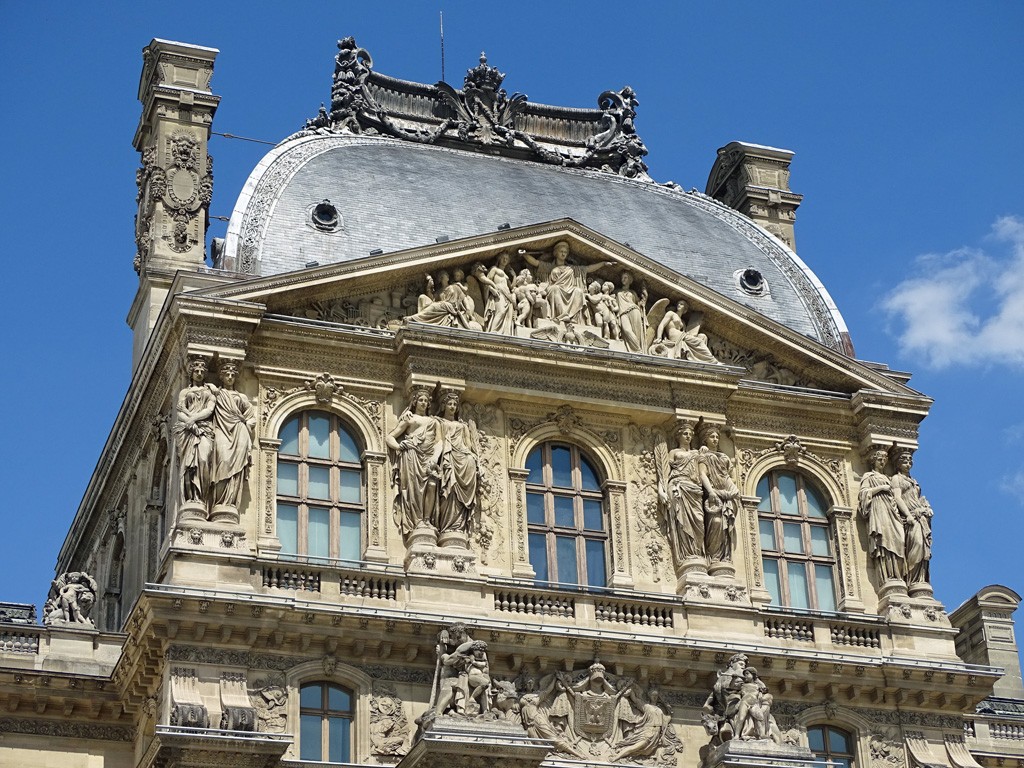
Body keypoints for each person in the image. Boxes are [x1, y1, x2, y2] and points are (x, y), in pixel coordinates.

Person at [387, 387, 443, 538]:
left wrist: (435, 458)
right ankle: (417, 521)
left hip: (429, 458)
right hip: (411, 456)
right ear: (415, 402)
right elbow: (390, 437)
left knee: (431, 485)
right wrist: (399, 446)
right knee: (414, 490)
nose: (423, 403)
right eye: (421, 400)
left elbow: (439, 442)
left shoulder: (434, 422)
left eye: (426, 401)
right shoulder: (409, 419)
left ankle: (426, 520)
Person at [209, 360, 256, 521]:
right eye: (226, 374)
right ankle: (219, 502)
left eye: (232, 374)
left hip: (239, 433)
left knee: (236, 469)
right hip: (221, 431)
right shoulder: (215, 393)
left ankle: (229, 502)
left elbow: (251, 418)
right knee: (222, 461)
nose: (229, 377)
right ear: (221, 376)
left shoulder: (241, 397)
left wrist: (244, 427)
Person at [522, 241, 610, 324]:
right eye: (561, 251)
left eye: (565, 252)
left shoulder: (572, 268)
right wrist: (525, 255)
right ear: (556, 253)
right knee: (555, 288)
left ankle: (573, 318)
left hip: (570, 289)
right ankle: (562, 315)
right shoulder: (549, 267)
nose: (563, 254)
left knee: (578, 291)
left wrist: (602, 264)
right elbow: (535, 263)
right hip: (555, 288)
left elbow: (588, 269)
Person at [173, 357, 217, 515]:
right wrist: (190, 423)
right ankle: (191, 497)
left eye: (202, 371)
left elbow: (209, 410)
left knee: (203, 460)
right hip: (187, 432)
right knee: (188, 466)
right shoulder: (185, 392)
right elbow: (179, 412)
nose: (199, 373)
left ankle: (201, 497)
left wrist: (192, 419)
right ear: (191, 373)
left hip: (204, 429)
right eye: (196, 371)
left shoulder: (209, 392)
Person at [658, 421, 705, 566]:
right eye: (685, 434)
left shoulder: (697, 453)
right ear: (678, 436)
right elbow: (665, 474)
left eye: (691, 434)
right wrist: (661, 490)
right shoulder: (673, 453)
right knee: (682, 522)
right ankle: (687, 554)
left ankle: (696, 552)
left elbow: (704, 472)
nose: (688, 436)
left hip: (694, 490)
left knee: (699, 520)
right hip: (678, 487)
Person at [436, 390, 480, 538]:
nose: (453, 406)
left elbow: (467, 445)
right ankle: (448, 525)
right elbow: (438, 442)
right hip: (448, 457)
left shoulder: (463, 427)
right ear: (443, 405)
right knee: (450, 489)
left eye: (455, 404)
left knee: (469, 462)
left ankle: (459, 524)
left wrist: (473, 457)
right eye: (449, 403)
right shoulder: (439, 422)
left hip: (462, 456)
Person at [858, 449, 906, 583]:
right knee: (884, 540)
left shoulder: (890, 478)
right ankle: (888, 576)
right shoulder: (869, 476)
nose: (883, 462)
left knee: (899, 540)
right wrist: (881, 488)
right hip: (879, 510)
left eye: (885, 460)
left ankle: (897, 574)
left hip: (891, 511)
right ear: (873, 461)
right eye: (880, 460)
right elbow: (863, 494)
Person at [697, 422, 740, 565]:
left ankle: (723, 557)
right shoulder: (704, 456)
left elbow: (730, 476)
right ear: (705, 439)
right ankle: (714, 557)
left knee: (725, 526)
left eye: (717, 436)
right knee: (716, 522)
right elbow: (702, 475)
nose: (715, 439)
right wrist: (711, 492)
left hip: (726, 492)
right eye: (712, 436)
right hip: (713, 495)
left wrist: (730, 491)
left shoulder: (724, 457)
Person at [890, 449, 933, 589]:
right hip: (911, 518)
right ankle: (912, 579)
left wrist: (926, 509)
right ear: (898, 464)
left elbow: (918, 499)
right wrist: (908, 515)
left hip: (920, 517)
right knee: (917, 545)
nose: (908, 464)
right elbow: (897, 498)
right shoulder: (897, 478)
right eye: (904, 461)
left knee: (922, 548)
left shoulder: (913, 481)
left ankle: (919, 580)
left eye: (910, 461)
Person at [651, 299, 718, 363]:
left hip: (682, 336)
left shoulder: (683, 322)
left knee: (703, 337)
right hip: (675, 336)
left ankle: (703, 359)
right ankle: (711, 360)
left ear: (685, 309)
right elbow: (662, 325)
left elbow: (687, 333)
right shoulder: (671, 314)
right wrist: (659, 337)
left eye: (681, 304)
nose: (679, 305)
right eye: (678, 304)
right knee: (699, 341)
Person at [473, 252, 516, 334]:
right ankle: (493, 330)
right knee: (501, 311)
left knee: (508, 317)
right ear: (499, 259)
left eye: (507, 259)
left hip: (508, 295)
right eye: (503, 258)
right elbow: (486, 282)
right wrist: (492, 289)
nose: (505, 260)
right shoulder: (494, 269)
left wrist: (514, 276)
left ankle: (506, 333)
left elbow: (512, 287)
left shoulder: (506, 275)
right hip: (499, 293)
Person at [615, 271, 648, 352]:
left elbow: (639, 303)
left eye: (625, 277)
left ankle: (639, 351)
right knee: (626, 330)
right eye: (622, 278)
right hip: (623, 313)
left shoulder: (633, 293)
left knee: (636, 333)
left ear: (630, 280)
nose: (623, 279)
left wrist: (645, 296)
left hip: (634, 310)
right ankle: (638, 350)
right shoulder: (617, 292)